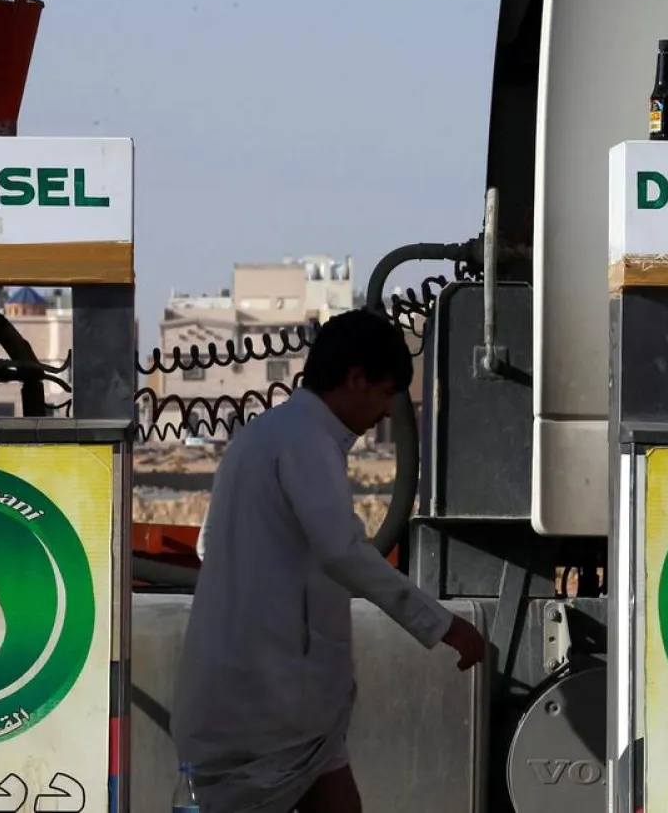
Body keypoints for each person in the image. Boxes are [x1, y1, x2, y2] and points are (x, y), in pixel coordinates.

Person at [170, 308, 488, 813]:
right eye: (385, 393)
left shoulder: (266, 434)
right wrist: (443, 625)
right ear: (355, 379)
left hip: (272, 694)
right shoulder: (305, 440)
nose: (386, 414)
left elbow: (210, 546)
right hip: (272, 698)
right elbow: (343, 550)